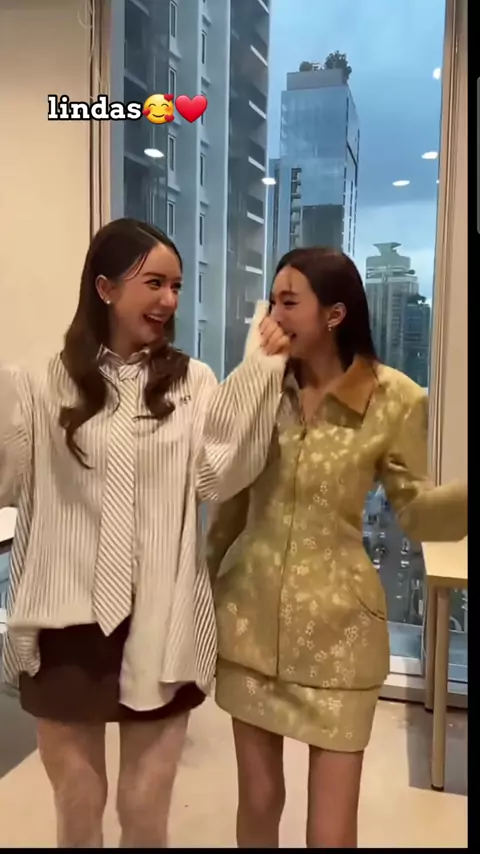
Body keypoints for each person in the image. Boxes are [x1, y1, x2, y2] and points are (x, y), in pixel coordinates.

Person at [0, 217, 290, 848]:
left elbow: (219, 473)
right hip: (64, 628)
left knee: (145, 811)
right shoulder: (40, 383)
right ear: (105, 288)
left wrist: (261, 372)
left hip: (162, 622)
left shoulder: (193, 382)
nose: (169, 300)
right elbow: (7, 477)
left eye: (177, 286)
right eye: (154, 283)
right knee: (78, 807)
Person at [207, 247, 468, 849]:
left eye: (289, 302)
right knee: (259, 801)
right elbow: (232, 501)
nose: (273, 317)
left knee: (330, 832)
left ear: (334, 314)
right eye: (272, 302)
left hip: (341, 635)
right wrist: (199, 589)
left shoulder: (395, 397)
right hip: (249, 623)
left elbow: (415, 511)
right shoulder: (263, 383)